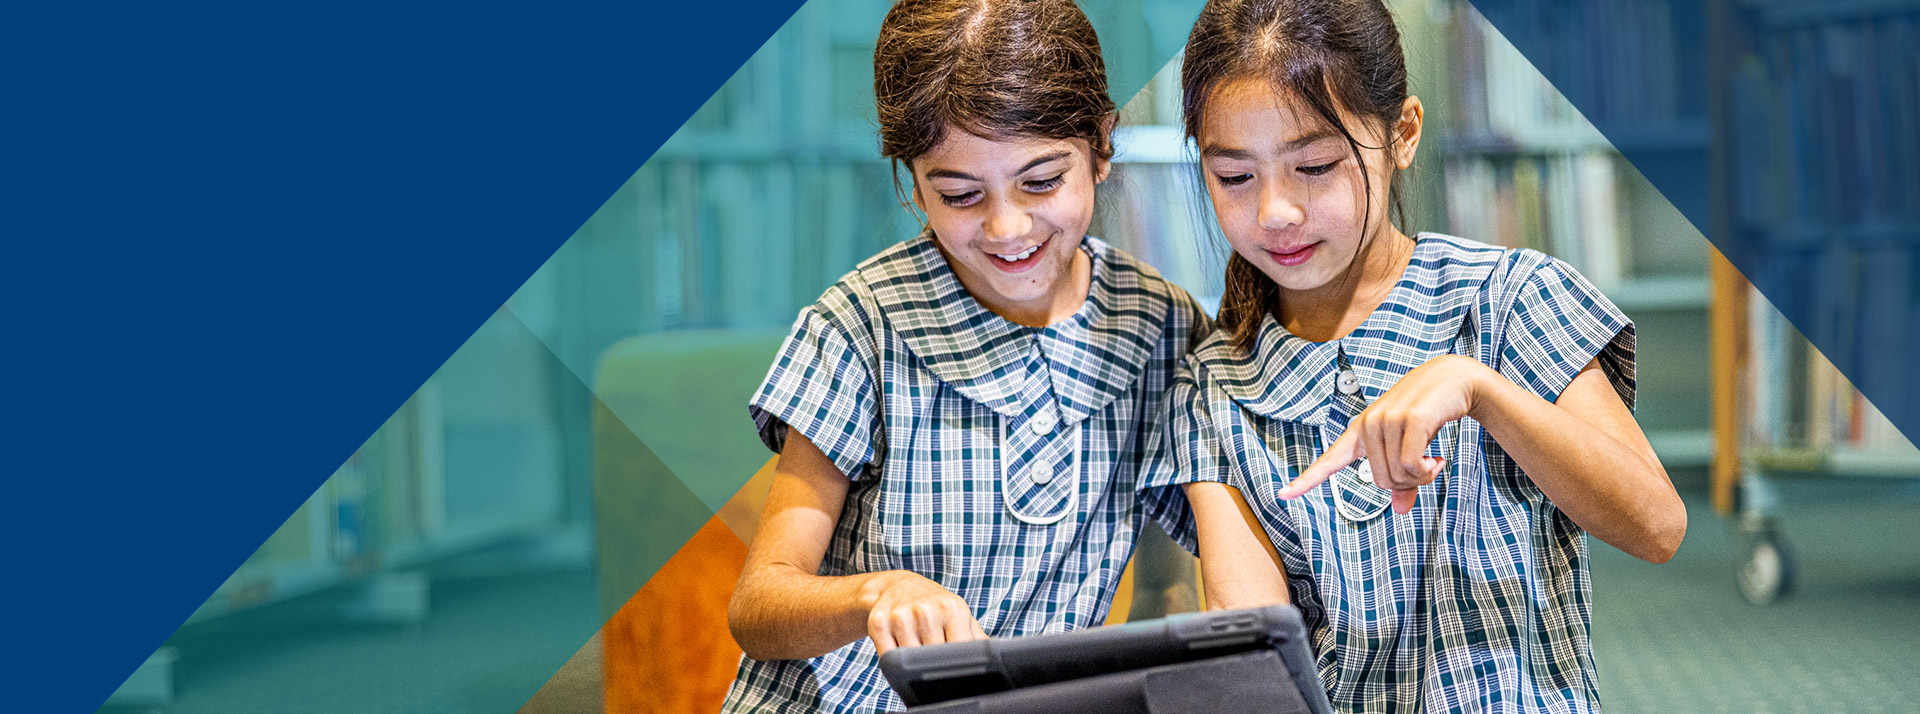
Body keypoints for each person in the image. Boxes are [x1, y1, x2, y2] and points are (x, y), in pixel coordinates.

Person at [1144, 0, 1688, 711]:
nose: (1275, 211)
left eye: (1314, 165)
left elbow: (1656, 526)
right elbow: (1253, 659)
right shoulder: (1212, 384)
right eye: (1234, 177)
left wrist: (1479, 389)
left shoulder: (1508, 298)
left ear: (1401, 133)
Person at [720, 0, 1208, 710]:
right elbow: (759, 605)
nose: (1006, 227)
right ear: (912, 182)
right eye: (959, 194)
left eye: (1041, 181)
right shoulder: (861, 327)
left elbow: (1167, 592)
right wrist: (875, 594)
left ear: (1102, 145)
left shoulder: (1164, 329)